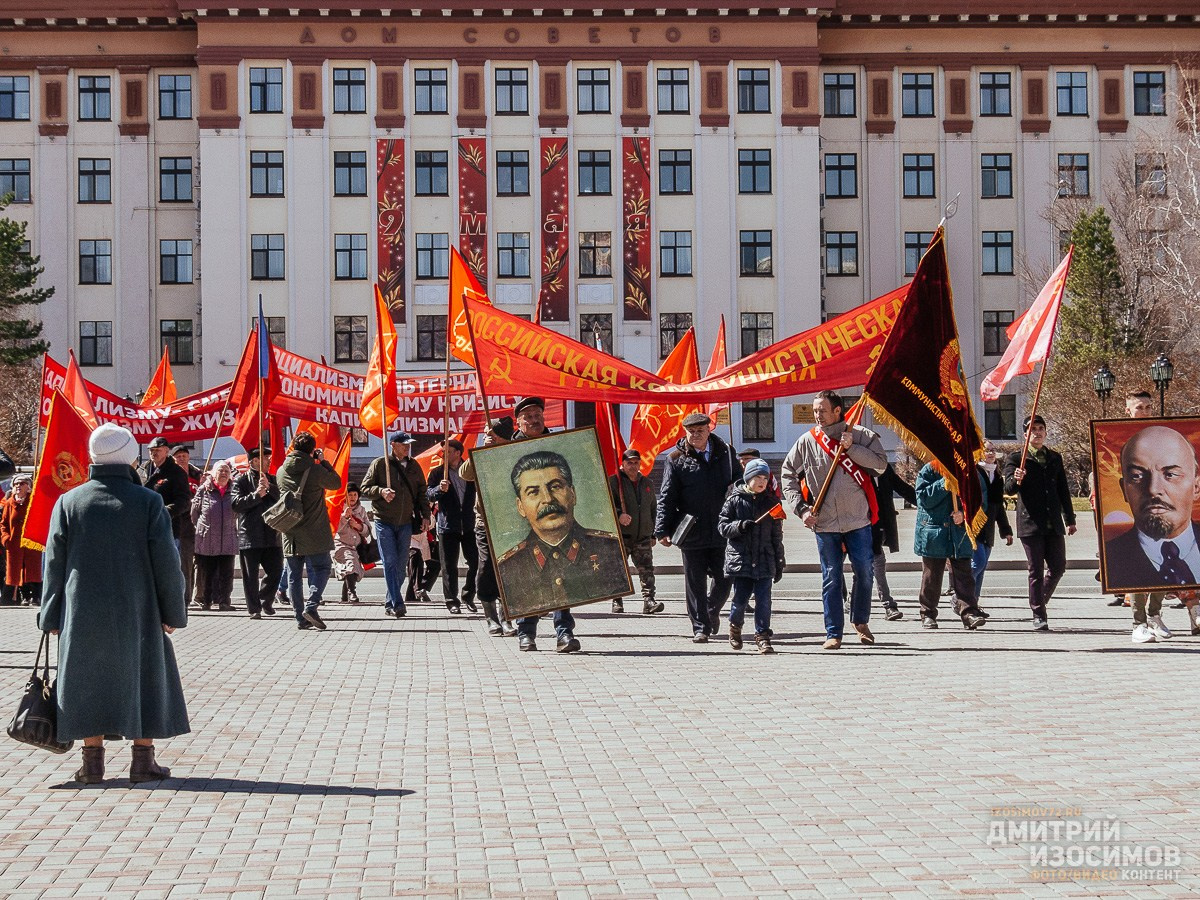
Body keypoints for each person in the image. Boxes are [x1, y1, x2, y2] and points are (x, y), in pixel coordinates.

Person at [39, 423, 188, 784]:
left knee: (86, 677)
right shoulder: (149, 501)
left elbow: (53, 563)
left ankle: (92, 765)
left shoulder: (69, 501)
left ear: (92, 458)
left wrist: (50, 614)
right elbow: (167, 562)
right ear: (130, 457)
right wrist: (173, 612)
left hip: (81, 608)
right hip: (138, 606)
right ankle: (142, 761)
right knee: (144, 673)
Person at [781, 390, 887, 650]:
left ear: (838, 410)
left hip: (857, 521)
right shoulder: (807, 441)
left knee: (864, 572)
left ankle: (860, 620)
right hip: (825, 523)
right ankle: (833, 632)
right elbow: (787, 475)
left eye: (822, 410)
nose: (817, 415)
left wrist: (853, 448)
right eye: (815, 410)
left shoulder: (862, 435)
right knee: (831, 577)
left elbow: (881, 465)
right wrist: (802, 509)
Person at [499, 449, 628, 652]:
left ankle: (564, 632)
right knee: (526, 587)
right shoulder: (510, 563)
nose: (548, 499)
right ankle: (526, 632)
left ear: (572, 493)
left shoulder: (607, 548)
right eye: (533, 492)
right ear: (520, 506)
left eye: (556, 486)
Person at [655, 411, 743, 643]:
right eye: (691, 431)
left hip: (722, 527)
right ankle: (700, 626)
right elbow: (667, 496)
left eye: (700, 431)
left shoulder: (726, 453)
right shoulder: (675, 459)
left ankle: (711, 610)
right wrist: (661, 529)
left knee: (726, 577)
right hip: (691, 528)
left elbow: (741, 482)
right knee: (695, 582)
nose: (695, 435)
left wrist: (738, 487)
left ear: (709, 429)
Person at [1106, 423, 1200, 600]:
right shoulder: (1112, 560)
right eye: (1137, 476)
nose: (1153, 489)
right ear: (1124, 489)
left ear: (1196, 487)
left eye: (1170, 474)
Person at [1003, 414, 1077, 632]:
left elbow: (1062, 489)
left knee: (1058, 566)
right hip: (1030, 523)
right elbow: (1008, 490)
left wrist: (1070, 519)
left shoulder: (1054, 457)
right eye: (1032, 429)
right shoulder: (1017, 459)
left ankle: (1039, 600)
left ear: (1045, 432)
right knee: (1035, 570)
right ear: (1025, 434)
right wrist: (1017, 479)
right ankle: (1039, 614)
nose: (1037, 432)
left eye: (1040, 428)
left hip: (1053, 522)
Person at [359, 430, 430, 618]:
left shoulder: (414, 466)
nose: (407, 447)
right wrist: (381, 491)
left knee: (400, 565)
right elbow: (365, 488)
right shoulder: (380, 464)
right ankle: (398, 603)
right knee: (389, 562)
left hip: (406, 521)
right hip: (384, 521)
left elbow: (422, 492)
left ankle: (390, 600)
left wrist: (426, 515)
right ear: (392, 445)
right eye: (403, 444)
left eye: (409, 444)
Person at [717, 458, 785, 654]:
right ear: (748, 479)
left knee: (764, 601)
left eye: (765, 477)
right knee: (740, 600)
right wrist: (739, 526)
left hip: (765, 559)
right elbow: (722, 527)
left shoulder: (772, 503)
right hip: (742, 560)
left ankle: (762, 636)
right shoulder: (735, 500)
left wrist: (779, 561)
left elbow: (776, 536)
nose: (762, 481)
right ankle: (735, 627)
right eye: (757, 477)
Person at [460, 415, 519, 637]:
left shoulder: (513, 452)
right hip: (485, 522)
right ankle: (490, 617)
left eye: (491, 433)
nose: (486, 436)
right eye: (485, 433)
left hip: (510, 521)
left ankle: (506, 618)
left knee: (508, 569)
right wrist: (480, 451)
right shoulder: (481, 454)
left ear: (502, 436)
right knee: (486, 568)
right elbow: (464, 474)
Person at [277, 431, 342, 631]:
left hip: (290, 529)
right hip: (314, 529)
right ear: (312, 450)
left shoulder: (281, 471)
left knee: (294, 575)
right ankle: (311, 606)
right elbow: (336, 483)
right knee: (322, 567)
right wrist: (323, 462)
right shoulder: (315, 471)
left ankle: (299, 618)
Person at [913, 462, 988, 630]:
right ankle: (928, 613)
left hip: (960, 533)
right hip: (934, 532)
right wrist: (944, 482)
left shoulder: (970, 471)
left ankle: (969, 612)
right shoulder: (929, 470)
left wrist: (964, 514)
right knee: (932, 576)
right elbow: (924, 499)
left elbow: (980, 501)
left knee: (964, 576)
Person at [608, 448, 664, 615]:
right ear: (622, 464)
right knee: (619, 569)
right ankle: (617, 600)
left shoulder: (647, 483)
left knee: (647, 570)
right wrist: (619, 515)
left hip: (643, 536)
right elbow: (606, 505)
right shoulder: (614, 482)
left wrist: (653, 532)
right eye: (629, 463)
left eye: (635, 462)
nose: (632, 466)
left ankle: (649, 600)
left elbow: (653, 509)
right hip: (622, 536)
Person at [427, 439, 479, 615]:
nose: (444, 455)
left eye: (448, 451)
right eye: (443, 452)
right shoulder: (437, 473)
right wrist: (439, 490)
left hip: (470, 524)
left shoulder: (471, 470)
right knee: (449, 566)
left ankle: (469, 595)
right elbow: (429, 495)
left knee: (476, 563)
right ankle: (451, 601)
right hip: (448, 525)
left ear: (458, 453)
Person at [230, 448, 283, 618]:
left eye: (268, 457)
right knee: (250, 576)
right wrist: (257, 495)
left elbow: (283, 499)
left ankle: (265, 599)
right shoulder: (241, 481)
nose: (268, 461)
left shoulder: (273, 480)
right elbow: (236, 504)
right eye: (264, 458)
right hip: (250, 534)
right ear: (253, 461)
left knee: (276, 571)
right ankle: (254, 609)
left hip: (271, 533)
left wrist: (270, 488)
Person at [869, 463, 916, 621]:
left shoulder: (883, 467)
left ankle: (854, 600)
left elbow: (901, 487)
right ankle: (888, 604)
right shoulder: (854, 465)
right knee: (874, 562)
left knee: (872, 562)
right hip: (861, 524)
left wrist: (925, 504)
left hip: (881, 523)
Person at [971, 441, 1013, 616]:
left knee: (982, 567)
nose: (990, 453)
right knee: (978, 563)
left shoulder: (996, 475)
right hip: (974, 526)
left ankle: (973, 605)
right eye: (986, 450)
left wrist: (1006, 530)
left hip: (989, 529)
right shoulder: (974, 472)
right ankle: (961, 598)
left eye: (993, 450)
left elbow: (998, 506)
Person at [190, 460, 238, 611]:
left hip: (228, 537)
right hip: (208, 537)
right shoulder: (204, 489)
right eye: (220, 470)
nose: (223, 473)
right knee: (208, 572)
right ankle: (206, 600)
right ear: (213, 473)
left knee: (227, 573)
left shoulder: (234, 490)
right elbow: (194, 513)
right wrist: (202, 528)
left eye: (226, 471)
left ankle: (224, 602)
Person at [140, 435, 191, 550]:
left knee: (167, 566)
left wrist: (163, 512)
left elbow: (183, 501)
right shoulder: (142, 470)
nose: (154, 453)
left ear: (166, 451)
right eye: (151, 450)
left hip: (167, 530)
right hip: (143, 530)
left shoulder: (176, 472)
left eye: (157, 450)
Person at [1, 473, 42, 607]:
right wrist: (6, 539)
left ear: (28, 487)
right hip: (14, 544)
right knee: (17, 569)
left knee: (33, 569)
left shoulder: (34, 502)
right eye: (17, 484)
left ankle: (35, 597)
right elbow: (3, 524)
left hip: (31, 542)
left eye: (22, 483)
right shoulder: (9, 503)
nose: (18, 486)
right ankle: (23, 596)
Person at [173, 445, 202, 606]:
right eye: (178, 456)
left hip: (197, 525)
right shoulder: (171, 477)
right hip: (179, 525)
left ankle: (195, 596)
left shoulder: (198, 475)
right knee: (182, 562)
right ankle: (183, 597)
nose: (182, 458)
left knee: (194, 564)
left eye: (184, 455)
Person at [332, 483, 369, 603]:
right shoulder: (338, 508)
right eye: (350, 495)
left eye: (355, 494)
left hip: (356, 546)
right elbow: (334, 528)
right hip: (341, 544)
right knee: (350, 564)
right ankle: (352, 593)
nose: (353, 497)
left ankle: (345, 597)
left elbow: (368, 530)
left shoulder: (361, 510)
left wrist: (358, 526)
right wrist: (344, 518)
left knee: (351, 569)